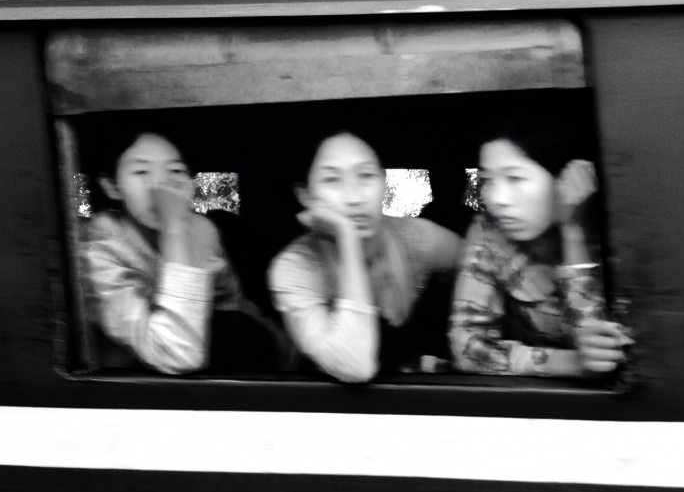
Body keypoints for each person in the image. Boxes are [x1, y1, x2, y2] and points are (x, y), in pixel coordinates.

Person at [81, 122, 286, 375]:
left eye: (176, 171)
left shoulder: (201, 230)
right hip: (132, 378)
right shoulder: (99, 251)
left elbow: (233, 306)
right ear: (112, 186)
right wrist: (173, 229)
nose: (162, 186)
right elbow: (176, 353)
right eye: (141, 172)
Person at [268, 129, 461, 382]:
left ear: (384, 182)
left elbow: (479, 264)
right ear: (304, 195)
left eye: (366, 175)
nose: (354, 197)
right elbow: (354, 366)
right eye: (332, 180)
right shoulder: (294, 268)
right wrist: (347, 237)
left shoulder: (415, 238)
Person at [450, 124, 634, 377]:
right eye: (487, 180)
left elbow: (606, 345)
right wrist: (571, 363)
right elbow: (467, 347)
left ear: (565, 180)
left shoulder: (617, 231)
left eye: (515, 178)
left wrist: (572, 232)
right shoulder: (488, 231)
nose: (496, 199)